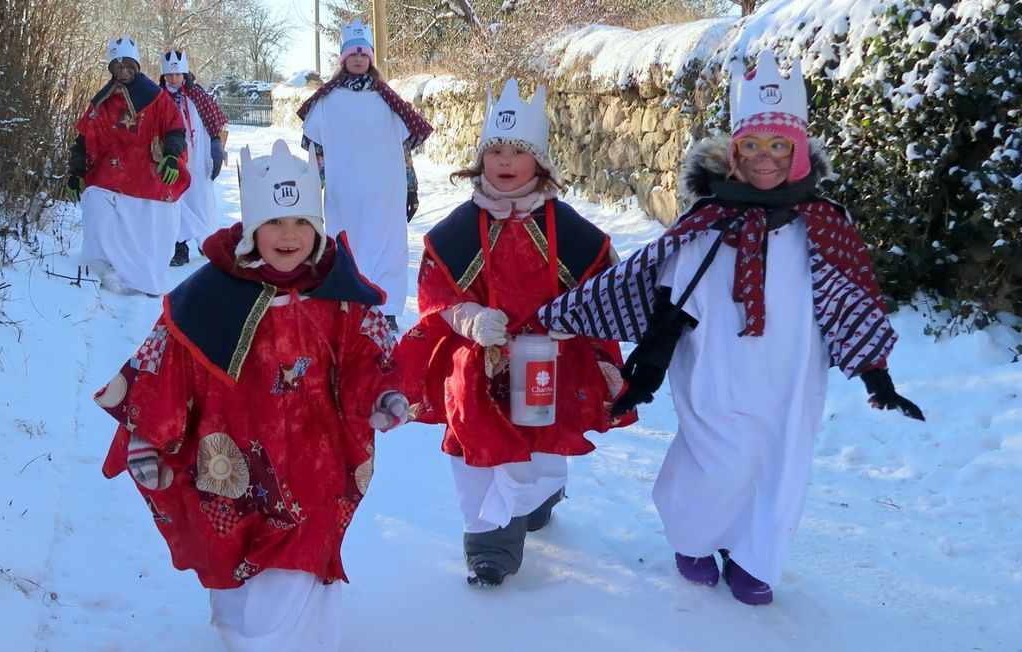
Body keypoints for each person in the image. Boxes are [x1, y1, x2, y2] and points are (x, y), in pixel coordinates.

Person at [540, 50, 925, 606]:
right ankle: (695, 538)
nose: (764, 159)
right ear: (733, 153)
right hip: (713, 369)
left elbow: (852, 300)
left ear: (797, 153)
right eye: (752, 146)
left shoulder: (825, 222)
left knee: (780, 462)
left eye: (778, 146)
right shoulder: (706, 223)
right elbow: (662, 297)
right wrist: (639, 374)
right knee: (716, 458)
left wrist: (875, 374)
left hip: (792, 377)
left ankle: (755, 556)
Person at [94, 139, 409, 652]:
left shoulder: (342, 294)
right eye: (276, 221)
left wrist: (383, 394)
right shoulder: (206, 295)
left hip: (317, 455)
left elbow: (369, 356)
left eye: (302, 222)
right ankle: (256, 646)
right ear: (251, 228)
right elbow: (166, 363)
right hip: (232, 458)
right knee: (236, 553)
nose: (290, 235)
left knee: (306, 551)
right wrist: (148, 434)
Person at [393, 79, 638, 587]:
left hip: (550, 361)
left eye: (517, 152)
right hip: (480, 363)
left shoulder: (567, 228)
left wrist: (575, 318)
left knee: (542, 451)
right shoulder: (457, 230)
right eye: (495, 151)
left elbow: (601, 285)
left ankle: (539, 497)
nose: (504, 161)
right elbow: (435, 290)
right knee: (477, 448)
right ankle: (489, 546)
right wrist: (468, 318)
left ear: (539, 163)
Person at [297, 17, 433, 332]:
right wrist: (312, 190)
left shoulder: (388, 99)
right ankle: (350, 305)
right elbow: (317, 151)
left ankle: (386, 308)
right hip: (345, 193)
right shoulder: (327, 102)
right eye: (352, 54)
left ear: (370, 58)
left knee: (389, 248)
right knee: (348, 246)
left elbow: (404, 150)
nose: (358, 59)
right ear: (344, 59)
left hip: (386, 191)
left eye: (363, 54)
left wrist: (411, 187)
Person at [66, 35, 189, 296]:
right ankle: (101, 269)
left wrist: (171, 155)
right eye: (117, 66)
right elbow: (85, 138)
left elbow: (176, 128)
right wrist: (76, 172)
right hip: (112, 171)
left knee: (154, 220)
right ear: (111, 68)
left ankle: (147, 277)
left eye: (127, 65)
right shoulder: (103, 100)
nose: (122, 70)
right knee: (96, 202)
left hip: (148, 172)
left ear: (136, 65)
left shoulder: (157, 98)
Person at [158, 50, 229, 267]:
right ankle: (181, 248)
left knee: (200, 200)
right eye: (169, 75)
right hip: (172, 156)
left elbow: (214, 126)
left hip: (198, 158)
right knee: (176, 201)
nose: (173, 79)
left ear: (184, 73)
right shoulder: (158, 98)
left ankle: (206, 242)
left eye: (177, 74)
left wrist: (216, 150)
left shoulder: (198, 96)